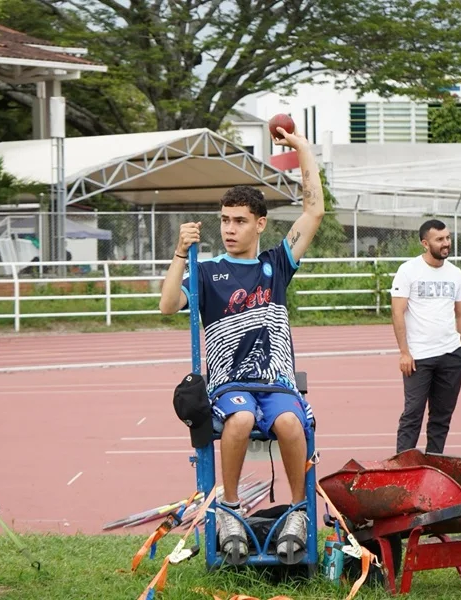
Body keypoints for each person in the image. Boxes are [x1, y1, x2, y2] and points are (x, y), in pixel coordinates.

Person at [159, 126, 324, 565]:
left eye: (239, 221)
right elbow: (168, 304)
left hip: (277, 383)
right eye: (224, 220)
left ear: (260, 224)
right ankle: (229, 510)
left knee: (291, 424)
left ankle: (297, 512)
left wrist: (303, 149)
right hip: (229, 384)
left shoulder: (277, 263)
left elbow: (313, 211)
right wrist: (179, 254)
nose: (229, 229)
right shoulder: (208, 270)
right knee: (240, 417)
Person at [389, 219, 461, 455]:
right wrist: (404, 352)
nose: (446, 243)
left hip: (451, 355)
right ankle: (403, 466)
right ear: (425, 243)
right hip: (418, 357)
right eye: (440, 239)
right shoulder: (408, 270)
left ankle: (433, 464)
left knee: (441, 417)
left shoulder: (455, 273)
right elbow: (397, 312)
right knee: (412, 414)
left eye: (447, 238)